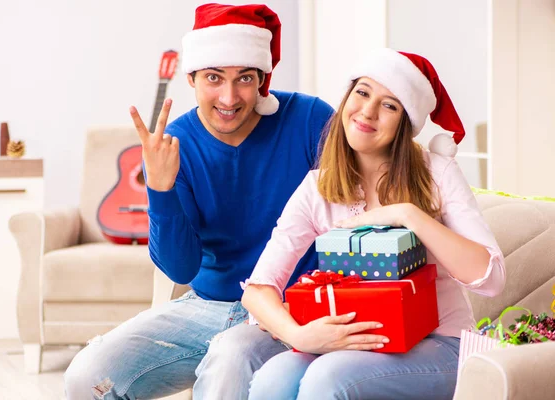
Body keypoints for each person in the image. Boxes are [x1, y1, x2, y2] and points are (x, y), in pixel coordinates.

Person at [199, 48, 507, 399]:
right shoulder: (319, 186)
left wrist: (408, 214)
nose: (368, 112)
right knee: (275, 377)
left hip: (438, 343)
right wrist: (299, 336)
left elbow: (491, 278)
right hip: (353, 343)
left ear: (405, 121)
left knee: (329, 376)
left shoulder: (438, 173)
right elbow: (259, 289)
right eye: (362, 93)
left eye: (390, 105)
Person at [63, 3, 334, 400]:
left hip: (291, 307)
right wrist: (160, 187)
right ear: (191, 78)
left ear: (262, 79)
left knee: (229, 360)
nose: (229, 96)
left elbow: (352, 214)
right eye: (213, 78)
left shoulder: (310, 119)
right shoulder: (174, 144)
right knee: (86, 378)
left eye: (244, 78)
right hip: (208, 306)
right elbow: (180, 267)